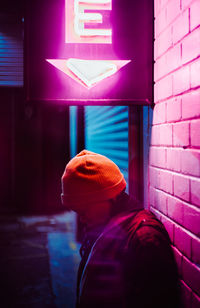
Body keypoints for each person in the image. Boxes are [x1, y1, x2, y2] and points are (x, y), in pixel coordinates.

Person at [61, 150, 181, 308]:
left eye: (85, 210)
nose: (82, 219)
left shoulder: (144, 239)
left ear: (110, 197)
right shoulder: (104, 227)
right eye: (76, 211)